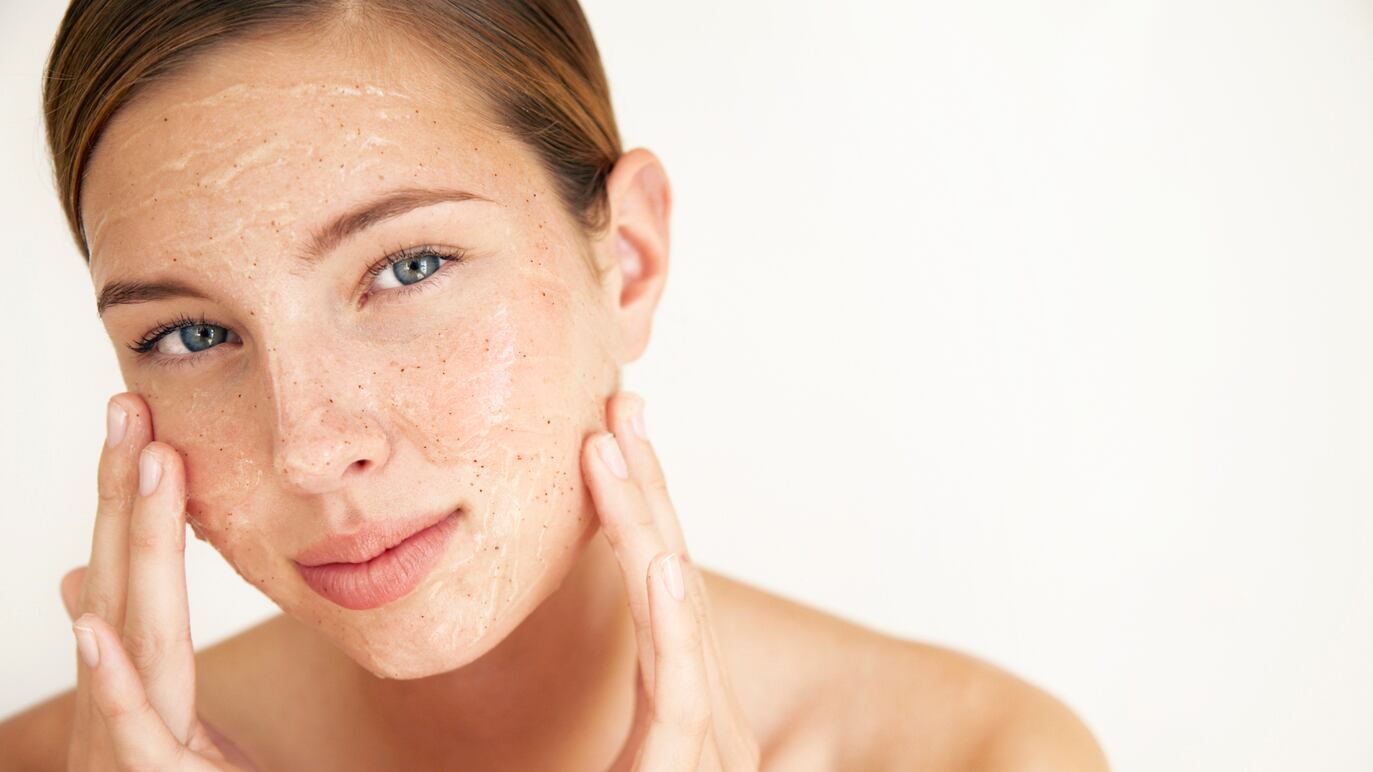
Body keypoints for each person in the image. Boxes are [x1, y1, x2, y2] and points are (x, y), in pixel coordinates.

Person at [0, 1, 1109, 769]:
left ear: (627, 257)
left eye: (408, 268)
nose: (310, 447)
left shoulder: (973, 756)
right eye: (189, 334)